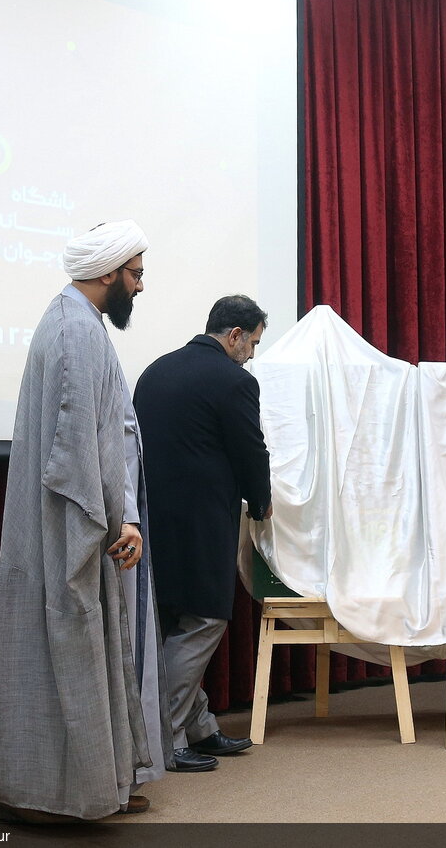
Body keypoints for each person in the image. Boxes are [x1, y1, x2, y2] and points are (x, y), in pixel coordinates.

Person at [0, 221, 170, 822]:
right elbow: (76, 450)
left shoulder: (76, 322)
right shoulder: (75, 331)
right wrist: (115, 521)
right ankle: (59, 797)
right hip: (74, 527)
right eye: (135, 274)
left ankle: (100, 784)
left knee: (82, 652)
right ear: (107, 271)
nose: (140, 286)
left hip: (83, 523)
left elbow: (106, 429)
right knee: (69, 652)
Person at [133, 294, 273, 773]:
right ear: (234, 335)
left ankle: (199, 726)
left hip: (151, 519)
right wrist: (261, 500)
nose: (251, 354)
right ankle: (167, 737)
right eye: (253, 343)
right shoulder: (235, 381)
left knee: (174, 622)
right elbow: (250, 448)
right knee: (205, 621)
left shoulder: (155, 371)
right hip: (203, 521)